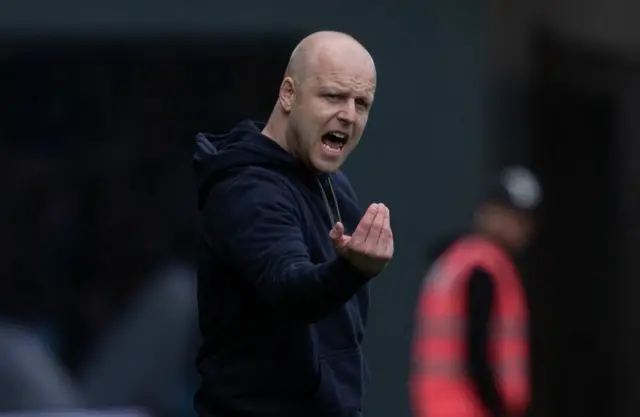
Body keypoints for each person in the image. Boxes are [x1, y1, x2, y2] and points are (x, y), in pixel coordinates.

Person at [192, 31, 394, 417]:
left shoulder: (332, 184)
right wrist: (351, 270)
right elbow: (290, 291)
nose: (349, 115)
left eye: (362, 103)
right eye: (333, 96)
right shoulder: (248, 190)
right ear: (288, 94)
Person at [409, 166, 541, 417]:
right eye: (504, 213)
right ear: (484, 212)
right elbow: (477, 351)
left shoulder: (454, 261)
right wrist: (498, 407)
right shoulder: (483, 269)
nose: (512, 225)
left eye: (520, 218)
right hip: (470, 408)